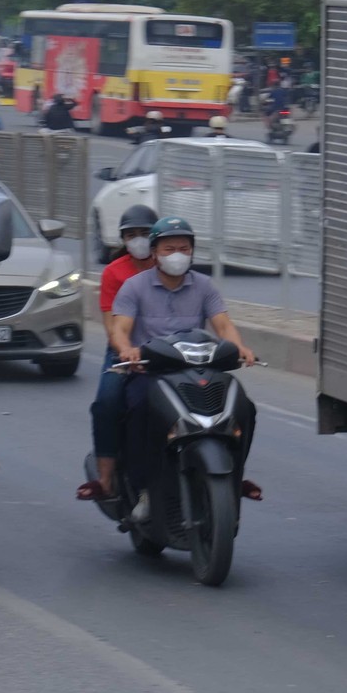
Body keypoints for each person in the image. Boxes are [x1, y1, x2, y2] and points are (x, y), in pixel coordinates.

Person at [107, 217, 257, 521]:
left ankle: (234, 474)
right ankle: (143, 489)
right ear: (155, 252)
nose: (177, 254)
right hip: (150, 372)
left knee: (245, 409)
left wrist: (239, 347)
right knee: (137, 412)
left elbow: (223, 325)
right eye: (170, 248)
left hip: (196, 369)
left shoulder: (204, 286)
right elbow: (120, 329)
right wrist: (127, 350)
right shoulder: (134, 287)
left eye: (184, 248)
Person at [77, 203, 159, 503]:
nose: (138, 240)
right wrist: (127, 351)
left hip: (170, 354)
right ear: (123, 240)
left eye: (145, 233)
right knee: (107, 403)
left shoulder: (168, 266)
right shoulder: (114, 273)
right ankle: (106, 479)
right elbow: (113, 329)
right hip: (126, 355)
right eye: (131, 235)